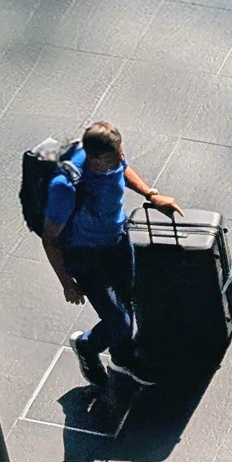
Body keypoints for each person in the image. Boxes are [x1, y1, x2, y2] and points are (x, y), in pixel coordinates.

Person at [41, 120, 178, 406]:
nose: (121, 158)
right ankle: (87, 347)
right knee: (118, 321)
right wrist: (67, 283)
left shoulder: (113, 157)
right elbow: (50, 238)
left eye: (121, 151)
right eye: (114, 156)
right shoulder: (66, 187)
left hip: (117, 240)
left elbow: (123, 170)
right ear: (94, 157)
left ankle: (123, 358)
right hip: (86, 256)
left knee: (128, 300)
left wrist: (151, 195)